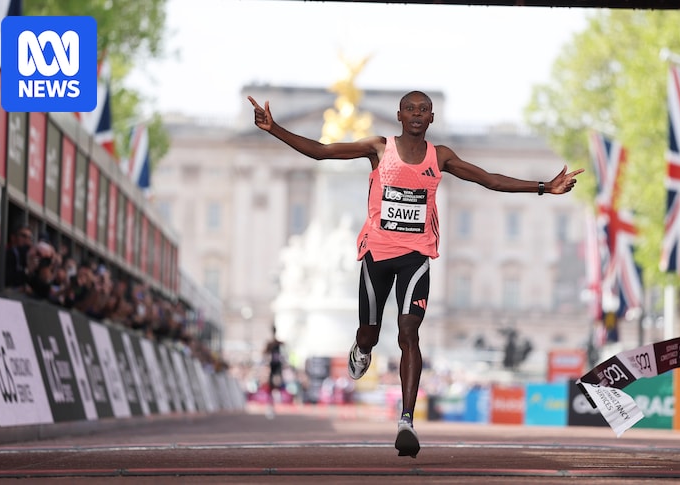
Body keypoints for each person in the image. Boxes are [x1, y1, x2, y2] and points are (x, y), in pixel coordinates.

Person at [248, 91, 583, 457]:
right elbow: (322, 151)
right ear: (399, 116)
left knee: (409, 332)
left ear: (432, 118)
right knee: (369, 334)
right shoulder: (378, 148)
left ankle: (406, 419)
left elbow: (488, 179)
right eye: (411, 109)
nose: (417, 115)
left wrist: (543, 187)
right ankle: (362, 349)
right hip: (376, 255)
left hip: (415, 256)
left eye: (424, 110)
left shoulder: (440, 157)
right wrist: (274, 129)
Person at [264, 325, 286, 418]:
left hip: (277, 367)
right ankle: (271, 405)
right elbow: (265, 352)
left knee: (276, 384)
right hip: (273, 366)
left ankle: (275, 402)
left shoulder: (276, 343)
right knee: (272, 386)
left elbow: (284, 345)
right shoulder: (271, 343)